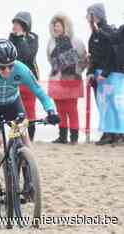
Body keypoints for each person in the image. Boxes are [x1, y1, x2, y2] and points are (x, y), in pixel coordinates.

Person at [0, 39, 60, 206]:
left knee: (24, 137)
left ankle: (29, 180)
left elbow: (40, 92)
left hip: (14, 106)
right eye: (2, 67)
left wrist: (51, 111)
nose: (7, 70)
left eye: (10, 66)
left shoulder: (22, 69)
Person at [46, 13, 87, 144]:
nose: (56, 28)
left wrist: (77, 71)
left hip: (72, 79)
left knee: (72, 109)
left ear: (65, 26)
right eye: (54, 25)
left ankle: (74, 137)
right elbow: (49, 59)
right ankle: (62, 136)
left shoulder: (76, 41)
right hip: (56, 79)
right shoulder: (51, 42)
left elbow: (83, 59)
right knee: (60, 109)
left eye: (58, 25)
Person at [86, 3, 117, 145]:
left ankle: (115, 133)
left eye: (89, 15)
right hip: (97, 76)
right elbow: (93, 56)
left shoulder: (108, 31)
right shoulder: (93, 35)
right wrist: (90, 72)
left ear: (96, 15)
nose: (87, 18)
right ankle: (107, 133)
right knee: (102, 105)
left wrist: (105, 72)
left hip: (108, 75)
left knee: (112, 105)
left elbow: (112, 54)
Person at [9, 11, 39, 141]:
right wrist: (15, 38)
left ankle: (30, 138)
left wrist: (21, 39)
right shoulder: (11, 38)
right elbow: (10, 56)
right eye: (14, 23)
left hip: (29, 79)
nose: (15, 26)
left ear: (25, 25)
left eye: (18, 24)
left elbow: (28, 55)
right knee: (14, 110)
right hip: (15, 80)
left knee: (30, 110)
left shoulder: (33, 38)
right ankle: (16, 137)